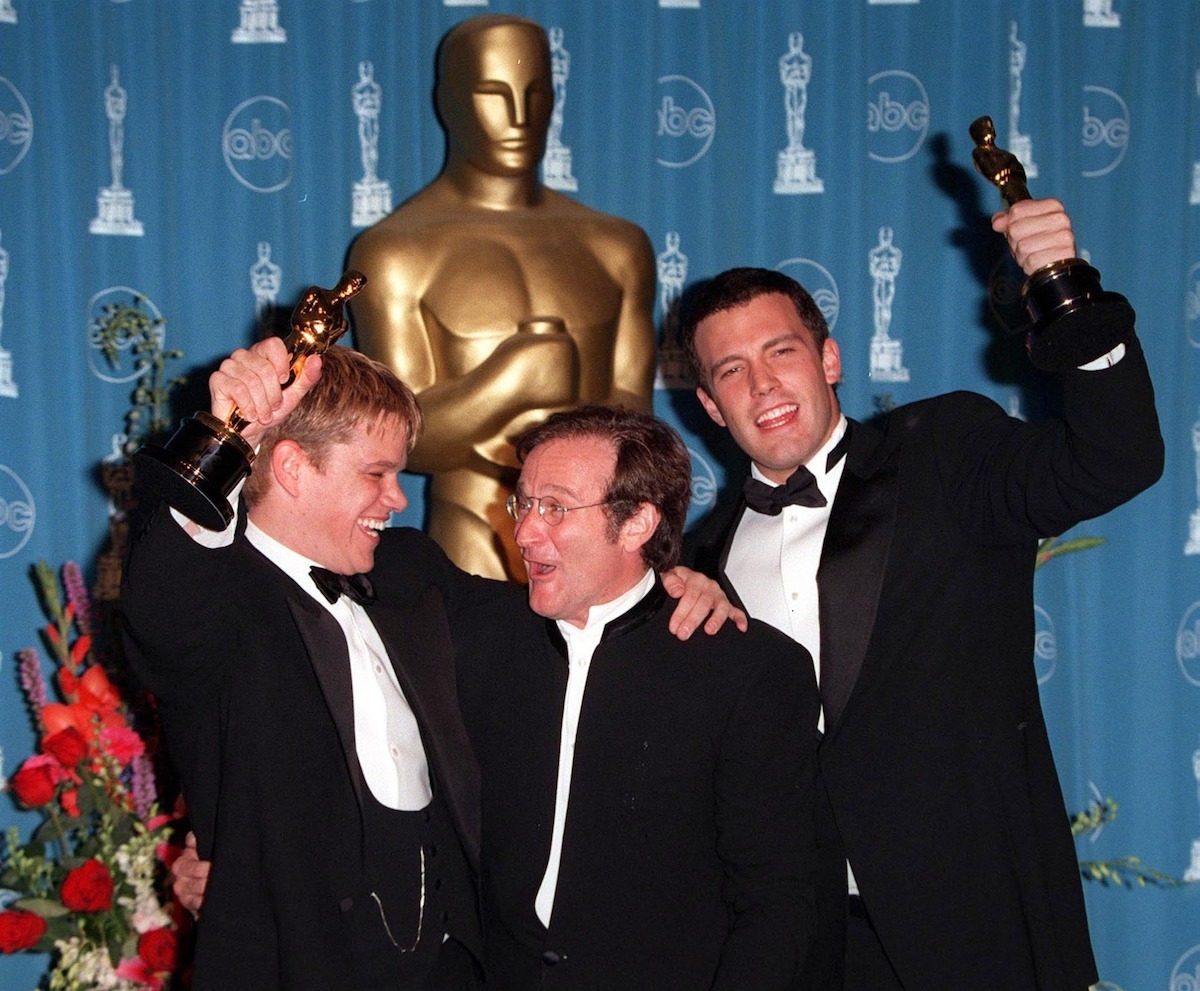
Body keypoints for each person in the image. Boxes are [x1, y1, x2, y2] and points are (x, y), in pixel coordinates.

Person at [125, 341, 740, 990]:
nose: (397, 498)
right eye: (377, 473)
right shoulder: (215, 598)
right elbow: (164, 609)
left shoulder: (409, 570)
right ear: (293, 468)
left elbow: (565, 610)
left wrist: (665, 579)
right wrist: (223, 437)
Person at [681, 196, 1164, 991]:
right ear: (708, 405)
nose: (762, 383)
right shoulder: (700, 556)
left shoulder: (944, 452)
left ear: (829, 358)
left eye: (782, 351)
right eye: (731, 370)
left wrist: (1065, 291)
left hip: (971, 925)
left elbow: (1115, 457)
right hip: (797, 943)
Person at [450, 405, 821, 989]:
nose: (523, 531)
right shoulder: (481, 632)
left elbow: (780, 901)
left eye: (556, 508)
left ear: (637, 524)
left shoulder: (748, 671)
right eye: (524, 502)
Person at [346, 14, 657, 582]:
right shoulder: (397, 251)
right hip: (471, 531)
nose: (519, 117)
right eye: (494, 94)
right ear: (450, 101)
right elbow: (399, 441)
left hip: (598, 545)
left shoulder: (616, 246)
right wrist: (510, 381)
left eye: (536, 94)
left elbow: (637, 425)